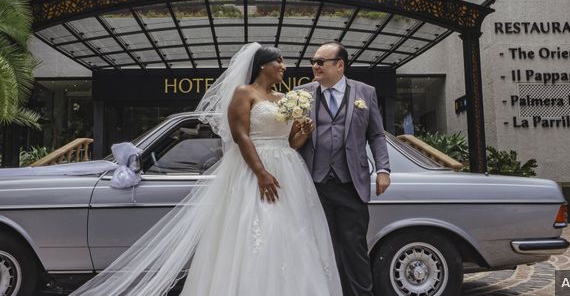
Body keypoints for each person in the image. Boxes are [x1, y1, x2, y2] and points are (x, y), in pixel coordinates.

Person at [72, 43, 343, 296]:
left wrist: (305, 132)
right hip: (254, 171)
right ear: (263, 65)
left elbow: (291, 143)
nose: (284, 67)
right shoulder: (243, 93)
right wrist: (261, 173)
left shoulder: (285, 98)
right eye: (279, 62)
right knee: (255, 232)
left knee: (292, 234)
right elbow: (241, 137)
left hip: (289, 172)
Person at [295, 42, 391, 296]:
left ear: (340, 65)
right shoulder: (301, 94)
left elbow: (377, 135)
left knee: (354, 247)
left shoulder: (365, 92)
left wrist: (383, 169)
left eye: (320, 62)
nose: (314, 66)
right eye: (313, 61)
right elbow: (290, 138)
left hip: (351, 184)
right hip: (313, 185)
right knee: (319, 249)